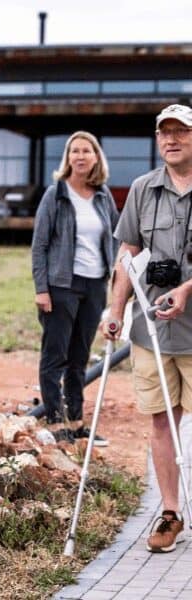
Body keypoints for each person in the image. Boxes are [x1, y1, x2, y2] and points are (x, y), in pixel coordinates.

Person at [103, 104, 192, 553]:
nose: (171, 139)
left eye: (181, 132)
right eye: (165, 133)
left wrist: (188, 289)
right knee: (161, 421)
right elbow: (128, 253)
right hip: (151, 330)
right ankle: (171, 512)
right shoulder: (142, 189)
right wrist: (115, 309)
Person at [32, 132, 119, 445]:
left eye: (87, 151)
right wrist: (42, 289)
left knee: (79, 357)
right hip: (61, 285)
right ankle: (56, 422)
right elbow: (40, 245)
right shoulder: (55, 194)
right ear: (68, 158)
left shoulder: (102, 194)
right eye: (75, 151)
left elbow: (115, 235)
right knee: (55, 355)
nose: (80, 156)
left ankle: (78, 422)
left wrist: (116, 271)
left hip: (95, 285)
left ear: (96, 157)